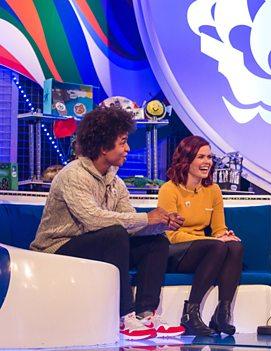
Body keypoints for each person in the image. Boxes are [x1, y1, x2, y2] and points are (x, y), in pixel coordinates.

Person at [30, 107, 185, 340]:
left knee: (157, 243)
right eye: (123, 142)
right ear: (103, 148)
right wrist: (146, 217)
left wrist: (160, 224)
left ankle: (145, 314)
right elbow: (93, 220)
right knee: (114, 234)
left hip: (97, 245)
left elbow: (129, 223)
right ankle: (124, 315)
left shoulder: (116, 182)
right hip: (57, 249)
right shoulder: (73, 175)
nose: (128, 149)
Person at [157, 136, 243, 336]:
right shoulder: (169, 190)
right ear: (186, 160)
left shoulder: (213, 190)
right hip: (176, 252)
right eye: (201, 157)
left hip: (205, 250)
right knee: (217, 246)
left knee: (235, 246)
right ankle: (190, 314)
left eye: (210, 157)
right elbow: (171, 235)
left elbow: (219, 228)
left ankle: (222, 314)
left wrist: (224, 235)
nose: (207, 162)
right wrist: (214, 240)